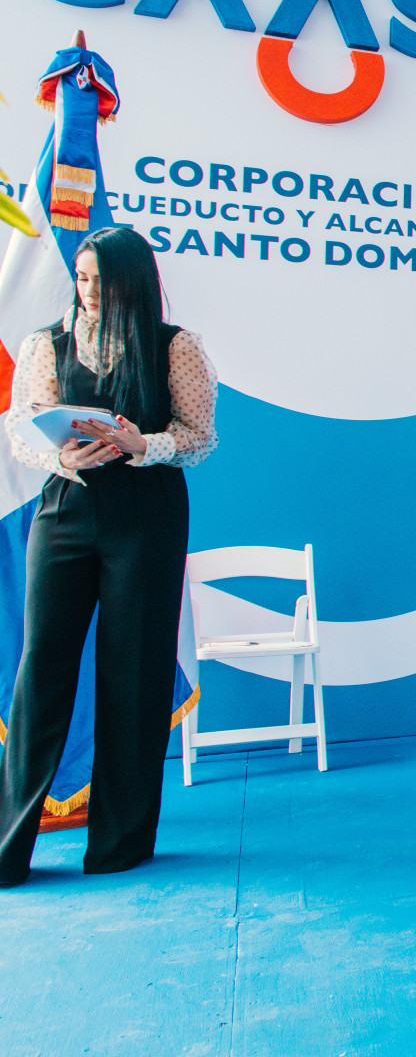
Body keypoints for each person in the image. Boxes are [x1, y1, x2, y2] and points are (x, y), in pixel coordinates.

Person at [0, 227, 218, 884]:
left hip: (147, 518)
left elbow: (198, 436)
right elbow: (20, 430)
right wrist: (62, 455)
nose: (89, 291)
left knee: (136, 671)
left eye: (101, 279)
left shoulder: (176, 346)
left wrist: (141, 444)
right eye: (82, 278)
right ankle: (8, 847)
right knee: (42, 669)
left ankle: (119, 845)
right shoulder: (46, 343)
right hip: (66, 512)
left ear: (134, 280)